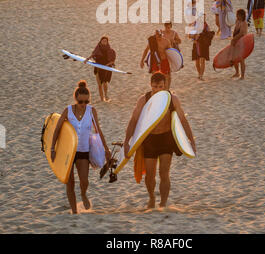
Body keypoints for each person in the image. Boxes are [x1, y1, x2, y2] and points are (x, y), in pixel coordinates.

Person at [123, 72, 196, 209]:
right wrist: (127, 141)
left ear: (165, 85)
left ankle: (163, 203)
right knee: (150, 175)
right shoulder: (143, 100)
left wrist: (191, 140)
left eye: (161, 87)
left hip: (166, 139)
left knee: (164, 172)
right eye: (155, 87)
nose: (158, 90)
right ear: (151, 85)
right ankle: (151, 197)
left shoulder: (172, 99)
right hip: (149, 140)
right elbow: (133, 120)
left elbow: (183, 120)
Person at [51, 80, 111, 214]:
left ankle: (83, 194)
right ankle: (74, 211)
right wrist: (52, 148)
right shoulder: (68, 111)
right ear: (76, 99)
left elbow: (98, 130)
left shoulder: (91, 111)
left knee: (84, 181)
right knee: (70, 183)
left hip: (83, 150)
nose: (84, 105)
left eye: (86, 102)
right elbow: (57, 129)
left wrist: (106, 149)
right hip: (68, 152)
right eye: (81, 102)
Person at [84, 36, 116, 102]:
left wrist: (105, 66)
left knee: (104, 83)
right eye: (103, 41)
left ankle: (106, 95)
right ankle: (102, 98)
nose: (104, 42)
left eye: (105, 41)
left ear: (107, 42)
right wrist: (87, 59)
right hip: (98, 67)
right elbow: (93, 54)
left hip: (106, 68)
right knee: (99, 84)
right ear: (100, 41)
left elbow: (112, 61)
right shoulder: (97, 48)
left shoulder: (110, 50)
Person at [191, 14, 215, 80]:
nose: (203, 19)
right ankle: (199, 74)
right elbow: (190, 35)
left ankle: (201, 75)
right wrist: (194, 37)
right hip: (196, 44)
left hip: (204, 45)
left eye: (204, 18)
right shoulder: (195, 25)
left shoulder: (206, 25)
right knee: (197, 61)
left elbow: (209, 35)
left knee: (203, 60)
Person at [230, 9, 248, 80]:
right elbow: (235, 30)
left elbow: (242, 33)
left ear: (242, 15)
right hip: (235, 42)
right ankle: (237, 73)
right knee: (234, 58)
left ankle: (242, 76)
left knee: (241, 59)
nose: (236, 16)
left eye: (238, 15)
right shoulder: (237, 21)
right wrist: (233, 39)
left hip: (242, 42)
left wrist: (234, 39)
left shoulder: (244, 23)